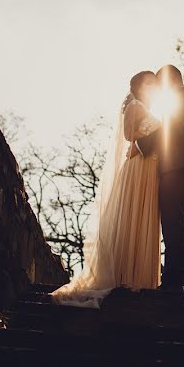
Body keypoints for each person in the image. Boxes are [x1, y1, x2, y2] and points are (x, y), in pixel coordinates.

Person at [51, 71, 163, 307]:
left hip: (149, 170)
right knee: (133, 218)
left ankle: (141, 279)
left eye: (155, 84)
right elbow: (130, 134)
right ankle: (127, 277)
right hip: (138, 169)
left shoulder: (147, 108)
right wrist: (158, 131)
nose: (153, 87)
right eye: (148, 83)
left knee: (144, 219)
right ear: (138, 86)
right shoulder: (134, 106)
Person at [134, 65, 184, 295]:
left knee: (173, 226)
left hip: (178, 169)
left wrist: (140, 144)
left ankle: (173, 285)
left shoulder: (183, 99)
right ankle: (173, 284)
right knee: (173, 226)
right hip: (180, 169)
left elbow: (168, 129)